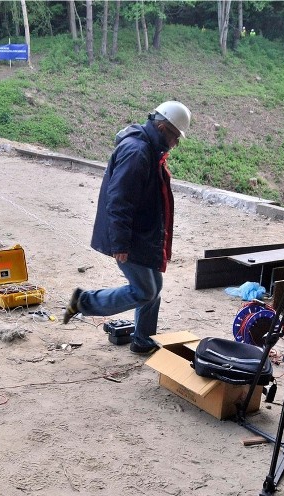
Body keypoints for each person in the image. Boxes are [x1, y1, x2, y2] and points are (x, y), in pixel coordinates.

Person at [61, 101, 192, 354]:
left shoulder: (150, 149)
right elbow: (119, 199)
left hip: (142, 234)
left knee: (155, 287)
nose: (176, 143)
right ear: (163, 127)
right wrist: (120, 243)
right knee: (145, 290)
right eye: (175, 137)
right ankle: (83, 302)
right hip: (131, 237)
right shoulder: (137, 152)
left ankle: (142, 339)